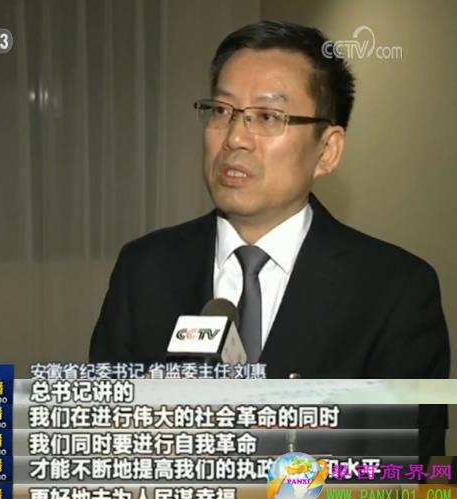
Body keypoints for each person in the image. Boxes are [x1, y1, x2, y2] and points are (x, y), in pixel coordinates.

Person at [90, 20, 449, 454]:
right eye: (221, 111)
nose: (235, 138)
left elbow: (412, 471)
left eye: (267, 117)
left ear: (327, 150)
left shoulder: (396, 291)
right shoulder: (143, 269)